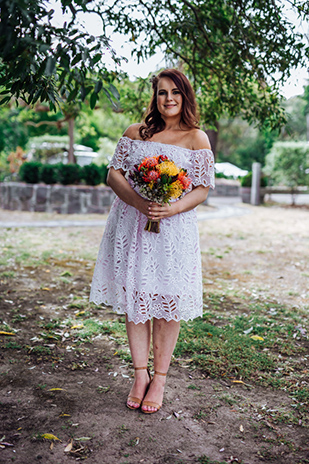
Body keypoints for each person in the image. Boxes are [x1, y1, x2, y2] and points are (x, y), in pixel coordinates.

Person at [90, 69, 215, 414]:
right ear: (155, 98)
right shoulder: (136, 133)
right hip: (133, 223)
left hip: (174, 230)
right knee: (138, 297)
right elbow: (113, 174)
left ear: (185, 97)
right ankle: (140, 374)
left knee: (167, 299)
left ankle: (160, 377)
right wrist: (139, 202)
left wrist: (170, 206)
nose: (168, 99)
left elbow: (202, 189)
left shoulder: (197, 138)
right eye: (162, 93)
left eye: (175, 92)